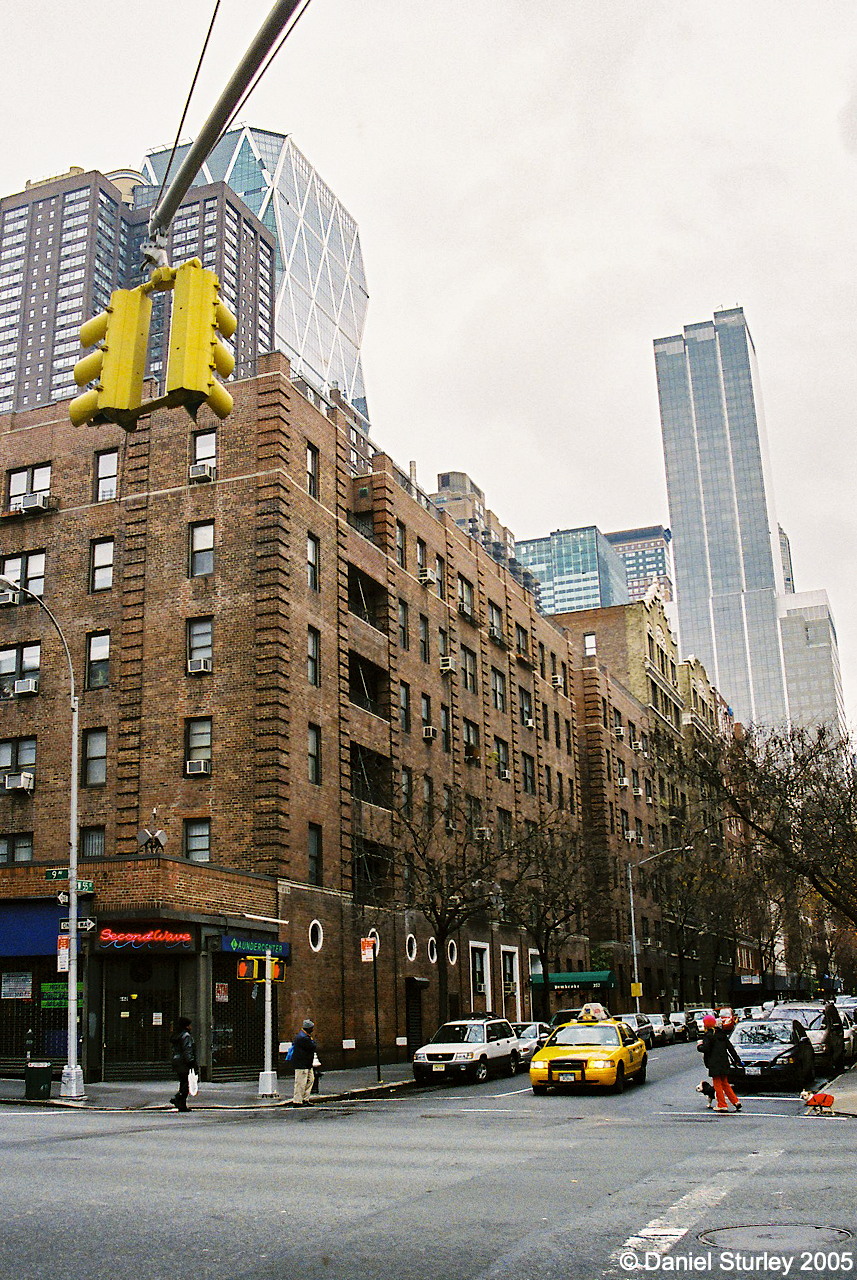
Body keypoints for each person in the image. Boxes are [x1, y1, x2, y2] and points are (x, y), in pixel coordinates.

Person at [698, 1012, 742, 1112]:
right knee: (725, 1083)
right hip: (724, 1062)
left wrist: (699, 1046)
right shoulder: (721, 1034)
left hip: (714, 1063)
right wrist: (737, 1060)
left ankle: (722, 1104)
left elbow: (706, 1049)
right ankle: (735, 1101)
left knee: (717, 1084)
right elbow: (730, 1048)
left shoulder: (708, 1035)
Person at [169, 1016, 198, 1113]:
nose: (191, 1027)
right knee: (186, 1083)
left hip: (177, 1061)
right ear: (186, 1026)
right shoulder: (186, 1036)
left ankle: (180, 1101)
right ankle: (179, 1100)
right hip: (183, 1061)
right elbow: (187, 1049)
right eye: (190, 1025)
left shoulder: (177, 1035)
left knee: (183, 1082)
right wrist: (191, 1061)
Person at [291, 1019, 318, 1106]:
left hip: (307, 1064)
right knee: (300, 1083)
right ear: (308, 1028)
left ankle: (305, 1099)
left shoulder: (304, 1036)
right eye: (311, 1028)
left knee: (310, 1080)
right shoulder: (303, 1038)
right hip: (301, 1064)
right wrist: (312, 1041)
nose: (313, 1029)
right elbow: (312, 1046)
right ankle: (297, 1101)